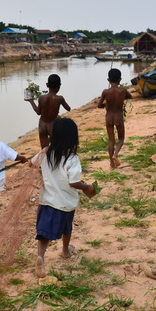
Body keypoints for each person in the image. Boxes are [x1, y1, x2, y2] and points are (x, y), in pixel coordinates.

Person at [35, 117, 96, 278]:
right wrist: (87, 187)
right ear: (72, 138)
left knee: (43, 233)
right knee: (66, 228)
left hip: (47, 201)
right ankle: (65, 250)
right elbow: (74, 182)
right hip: (65, 202)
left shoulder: (45, 153)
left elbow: (32, 163)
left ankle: (40, 256)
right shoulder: (72, 159)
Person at [97, 68, 132, 168]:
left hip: (109, 117)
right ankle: (115, 154)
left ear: (108, 80)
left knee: (111, 140)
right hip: (118, 117)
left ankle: (112, 163)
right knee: (121, 139)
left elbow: (99, 105)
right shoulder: (122, 90)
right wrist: (121, 98)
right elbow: (130, 97)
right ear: (120, 80)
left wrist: (106, 105)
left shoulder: (105, 92)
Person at [25, 74, 71, 149]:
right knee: (56, 148)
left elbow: (38, 112)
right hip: (52, 125)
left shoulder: (41, 97)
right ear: (59, 86)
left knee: (44, 149)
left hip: (42, 125)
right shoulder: (59, 98)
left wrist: (31, 101)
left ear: (47, 85)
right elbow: (68, 108)